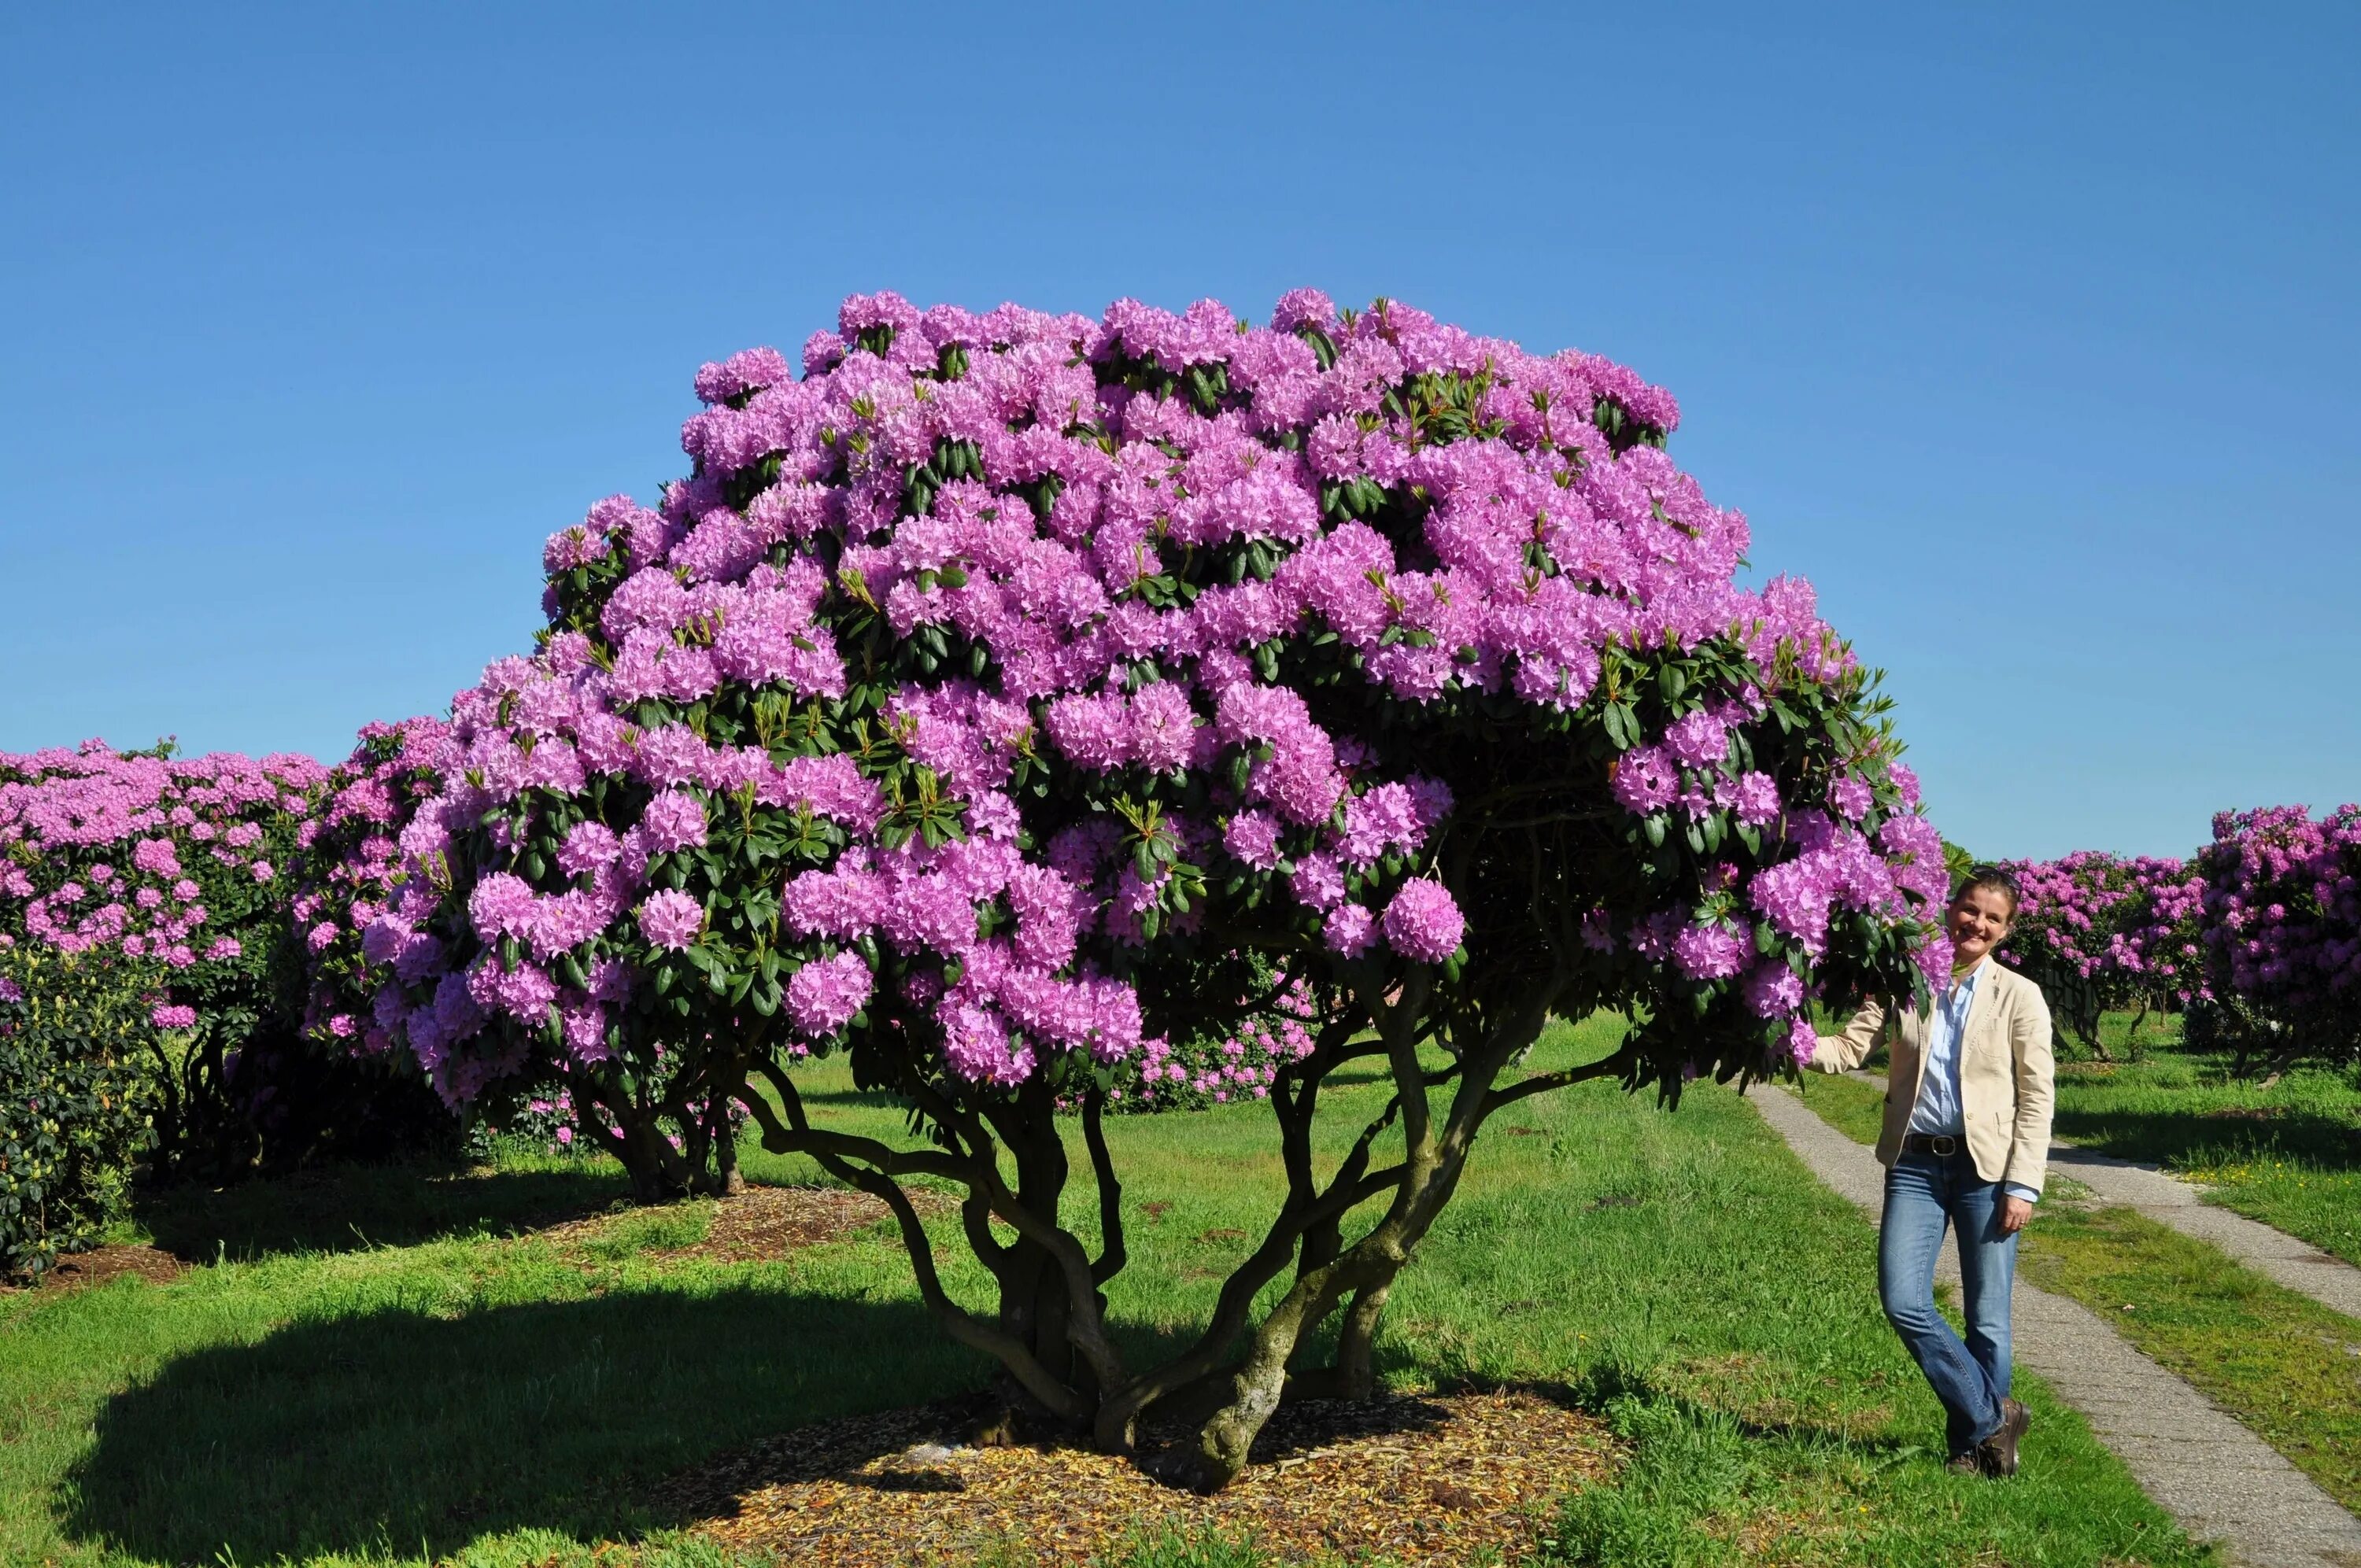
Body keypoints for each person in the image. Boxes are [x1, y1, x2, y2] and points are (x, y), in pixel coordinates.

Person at [1812, 865, 2055, 1477]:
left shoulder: (2018, 995)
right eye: (1970, 909)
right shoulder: (1905, 982)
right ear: (1950, 909)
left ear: (2005, 929)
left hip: (1987, 1170)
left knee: (1988, 1320)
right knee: (1902, 1298)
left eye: (1992, 917)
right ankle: (1995, 1418)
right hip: (1916, 1162)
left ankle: (1971, 1450)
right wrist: (1780, 1038)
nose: (1977, 923)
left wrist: (2023, 1183)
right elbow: (1847, 1048)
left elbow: (2037, 1092)